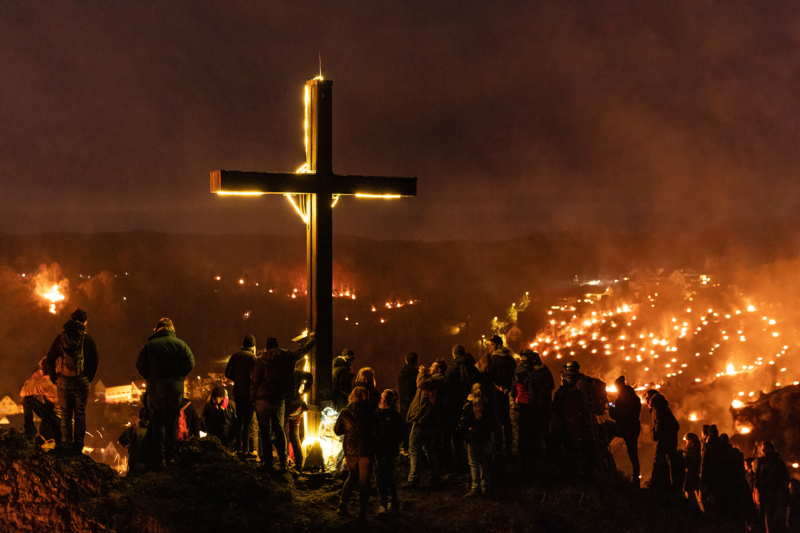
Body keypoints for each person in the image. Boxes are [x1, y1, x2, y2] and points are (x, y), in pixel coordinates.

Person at [135, 317, 195, 471]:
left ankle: (160, 459)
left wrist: (149, 376)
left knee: (158, 423)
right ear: (172, 329)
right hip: (175, 390)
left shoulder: (150, 345)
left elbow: (139, 365)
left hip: (156, 389)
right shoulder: (181, 344)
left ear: (158, 329)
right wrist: (180, 376)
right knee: (172, 422)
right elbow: (191, 363)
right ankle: (171, 457)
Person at [250, 334, 315, 474]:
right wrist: (312, 342)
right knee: (280, 431)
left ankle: (268, 465)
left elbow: (255, 381)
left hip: (262, 399)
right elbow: (302, 352)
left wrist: (252, 399)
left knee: (265, 432)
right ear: (278, 346)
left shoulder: (261, 361)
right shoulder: (288, 357)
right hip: (279, 399)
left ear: (267, 348)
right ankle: (284, 464)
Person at [44, 308, 99, 455]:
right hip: (81, 381)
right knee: (80, 414)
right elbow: (94, 361)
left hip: (63, 381)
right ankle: (78, 446)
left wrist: (54, 377)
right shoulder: (88, 339)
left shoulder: (61, 338)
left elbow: (50, 357)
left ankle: (66, 444)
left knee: (65, 414)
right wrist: (88, 378)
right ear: (84, 322)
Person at [334, 386, 379, 520]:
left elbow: (337, 431)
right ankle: (362, 511)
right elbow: (376, 430)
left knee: (352, 477)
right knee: (364, 481)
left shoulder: (345, 412)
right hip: (366, 451)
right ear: (365, 397)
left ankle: (342, 505)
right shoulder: (370, 412)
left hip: (350, 451)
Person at [405, 359, 447, 488]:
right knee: (429, 449)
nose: (429, 368)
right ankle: (435, 477)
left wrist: (421, 373)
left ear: (438, 370)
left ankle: (413, 479)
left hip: (424, 419)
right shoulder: (437, 379)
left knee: (414, 448)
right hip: (429, 420)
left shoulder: (437, 380)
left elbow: (421, 383)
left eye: (433, 366)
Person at [443, 344, 475, 474]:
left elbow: (447, 389)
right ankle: (468, 463)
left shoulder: (452, 370)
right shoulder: (473, 368)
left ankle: (456, 466)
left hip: (454, 406)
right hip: (471, 405)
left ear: (454, 354)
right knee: (467, 436)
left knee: (454, 436)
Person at [224, 334, 258, 459]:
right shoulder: (253, 357)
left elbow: (227, 372)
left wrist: (237, 379)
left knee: (239, 421)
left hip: (237, 392)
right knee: (247, 422)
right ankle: (246, 450)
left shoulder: (234, 356)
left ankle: (238, 448)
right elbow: (255, 376)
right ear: (253, 346)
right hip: (249, 393)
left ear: (243, 345)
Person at [459, 383, 495, 498]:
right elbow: (493, 424)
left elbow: (463, 424)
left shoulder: (468, 406)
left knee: (473, 462)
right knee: (483, 460)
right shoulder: (488, 406)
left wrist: (467, 431)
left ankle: (476, 487)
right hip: (484, 438)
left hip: (472, 438)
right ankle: (485, 486)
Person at [644, 389, 683, 492]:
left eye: (647, 396)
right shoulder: (661, 404)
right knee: (671, 459)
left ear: (651, 397)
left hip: (666, 435)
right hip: (671, 435)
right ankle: (672, 485)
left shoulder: (657, 405)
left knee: (659, 458)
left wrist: (656, 434)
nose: (646, 399)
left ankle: (654, 484)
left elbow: (660, 421)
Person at [608, 376, 641, 486]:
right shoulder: (636, 399)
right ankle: (636, 481)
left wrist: (610, 407)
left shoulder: (621, 400)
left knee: (605, 441)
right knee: (633, 455)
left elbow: (615, 415)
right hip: (633, 429)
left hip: (622, 428)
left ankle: (607, 469)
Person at [375, 389, 404, 514]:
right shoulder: (377, 413)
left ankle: (391, 501)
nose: (383, 401)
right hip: (379, 450)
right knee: (380, 476)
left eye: (385, 399)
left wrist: (392, 443)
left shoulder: (395, 416)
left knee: (386, 475)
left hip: (389, 450)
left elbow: (400, 433)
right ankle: (386, 502)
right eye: (382, 398)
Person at [20, 357, 61, 444]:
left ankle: (29, 429)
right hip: (60, 417)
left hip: (54, 418)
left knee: (27, 400)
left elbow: (23, 392)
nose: (39, 370)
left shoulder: (48, 384)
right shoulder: (56, 378)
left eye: (40, 368)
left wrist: (33, 379)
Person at [487, 335, 516, 459]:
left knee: (498, 421)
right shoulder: (509, 358)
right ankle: (508, 447)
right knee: (507, 420)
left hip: (495, 392)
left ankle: (498, 450)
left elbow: (490, 376)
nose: (489, 347)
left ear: (498, 345)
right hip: (505, 392)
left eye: (492, 345)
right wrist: (507, 387)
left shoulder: (494, 359)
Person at [510, 349, 539, 469]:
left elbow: (513, 390)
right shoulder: (531, 374)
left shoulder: (516, 372)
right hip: (529, 406)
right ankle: (531, 460)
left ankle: (521, 459)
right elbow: (533, 393)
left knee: (521, 433)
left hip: (520, 405)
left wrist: (515, 401)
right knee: (531, 433)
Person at [754, 440, 790, 533]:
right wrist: (760, 489)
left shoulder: (778, 462)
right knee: (769, 517)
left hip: (777, 493)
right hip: (767, 494)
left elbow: (785, 477)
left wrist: (781, 490)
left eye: (764, 450)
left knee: (779, 517)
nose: (763, 452)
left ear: (770, 449)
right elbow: (757, 478)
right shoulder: (761, 463)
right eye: (762, 450)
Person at [528, 351, 554, 458]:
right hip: (542, 404)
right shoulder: (545, 371)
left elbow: (549, 386)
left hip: (540, 405)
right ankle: (547, 452)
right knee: (542, 430)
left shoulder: (539, 373)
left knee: (541, 430)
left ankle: (544, 453)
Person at [285, 369, 312, 469]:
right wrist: (305, 390)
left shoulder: (281, 371)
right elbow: (309, 376)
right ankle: (299, 463)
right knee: (294, 436)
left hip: (285, 406)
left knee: (283, 434)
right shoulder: (297, 372)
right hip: (296, 407)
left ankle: (285, 461)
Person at [397, 352, 419, 455]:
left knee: (405, 425)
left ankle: (404, 447)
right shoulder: (417, 375)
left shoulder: (401, 373)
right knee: (414, 426)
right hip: (414, 402)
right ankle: (413, 448)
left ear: (406, 361)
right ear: (416, 362)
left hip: (403, 403)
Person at [700, 424, 724, 516]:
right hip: (720, 477)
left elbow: (704, 463)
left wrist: (702, 480)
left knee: (708, 501)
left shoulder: (708, 446)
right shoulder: (722, 445)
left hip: (710, 478)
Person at [119, 408, 149, 472]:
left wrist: (132, 428)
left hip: (136, 467)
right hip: (150, 468)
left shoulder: (134, 431)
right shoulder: (158, 432)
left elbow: (122, 440)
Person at [682, 433, 701, 507]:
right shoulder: (696, 447)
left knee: (689, 489)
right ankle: (693, 505)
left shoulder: (691, 449)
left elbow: (687, 461)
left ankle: (693, 506)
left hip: (691, 472)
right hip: (694, 472)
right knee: (691, 490)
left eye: (686, 440)